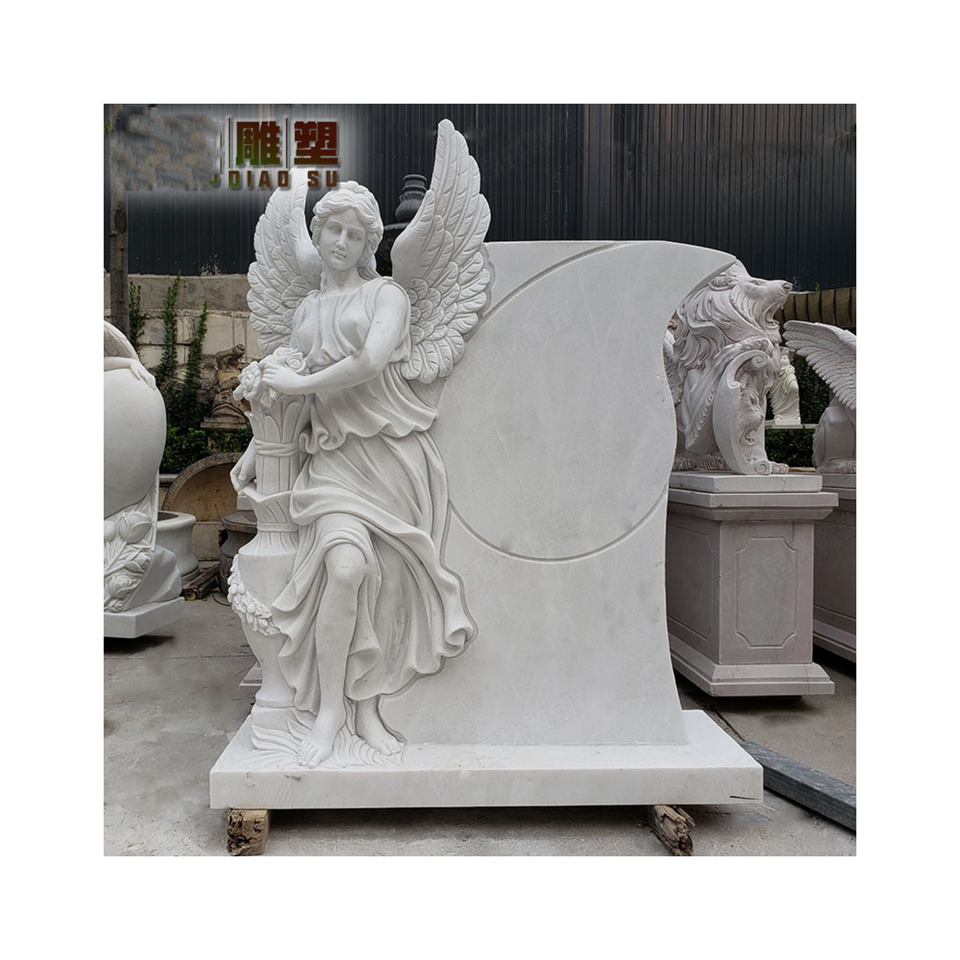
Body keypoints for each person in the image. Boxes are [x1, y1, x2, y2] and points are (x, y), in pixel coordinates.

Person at [233, 182, 473, 767]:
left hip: (393, 460)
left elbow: (368, 362)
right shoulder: (305, 311)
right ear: (317, 234)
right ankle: (330, 712)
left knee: (386, 590)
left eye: (354, 234)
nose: (341, 241)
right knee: (345, 570)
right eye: (332, 229)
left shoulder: (387, 296)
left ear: (369, 244)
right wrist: (258, 446)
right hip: (333, 463)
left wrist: (298, 381)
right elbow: (295, 394)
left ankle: (368, 708)